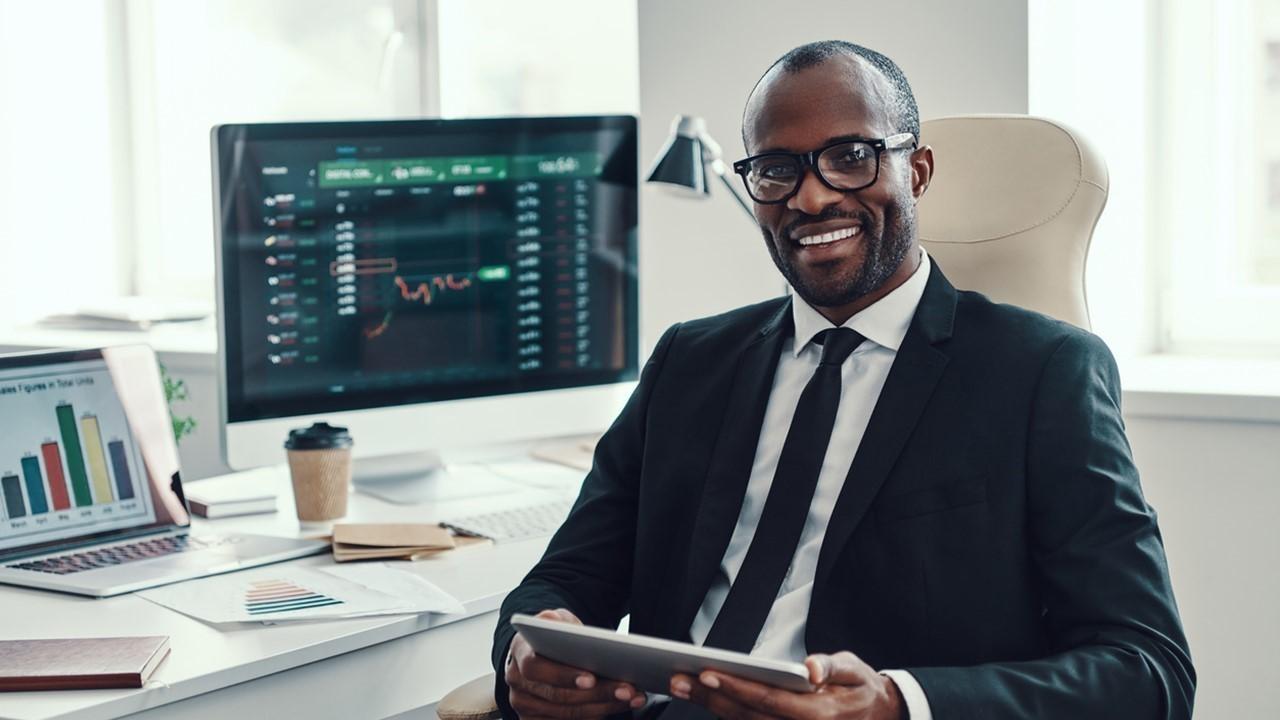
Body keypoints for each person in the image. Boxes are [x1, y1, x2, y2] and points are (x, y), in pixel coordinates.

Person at [492, 40, 1195, 720]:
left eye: (850, 158)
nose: (812, 197)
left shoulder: (1042, 372)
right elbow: (566, 579)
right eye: (776, 170)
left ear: (916, 171)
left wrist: (896, 704)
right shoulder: (690, 360)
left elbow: (1147, 668)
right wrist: (524, 657)